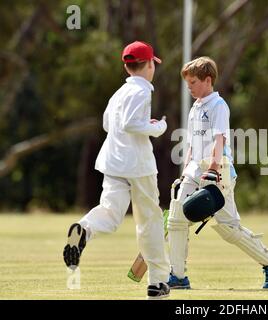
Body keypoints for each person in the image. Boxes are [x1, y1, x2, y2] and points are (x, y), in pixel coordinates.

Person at [167, 56, 268, 290]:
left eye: (192, 82)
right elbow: (192, 143)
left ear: (207, 80)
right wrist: (185, 172)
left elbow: (219, 139)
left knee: (228, 228)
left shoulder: (218, 105)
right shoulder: (195, 107)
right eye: (188, 83)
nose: (189, 87)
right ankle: (178, 276)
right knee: (176, 220)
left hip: (218, 171)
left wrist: (212, 169)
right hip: (194, 171)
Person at [63, 41, 170, 299]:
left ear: (126, 65)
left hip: (113, 161)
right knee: (149, 221)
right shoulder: (143, 91)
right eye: (152, 64)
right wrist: (157, 128)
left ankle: (84, 229)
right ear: (146, 66)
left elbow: (108, 124)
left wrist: (144, 124)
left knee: (110, 211)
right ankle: (158, 281)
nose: (153, 68)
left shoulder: (119, 92)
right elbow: (132, 124)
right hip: (138, 164)